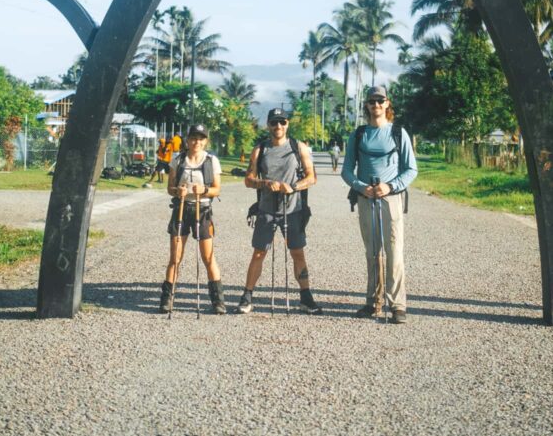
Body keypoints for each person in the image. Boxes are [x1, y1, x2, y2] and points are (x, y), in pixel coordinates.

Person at [341, 86, 418, 324]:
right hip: (365, 199)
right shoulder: (359, 134)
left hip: (390, 199)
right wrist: (359, 186)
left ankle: (397, 305)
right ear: (367, 105)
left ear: (387, 104)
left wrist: (390, 186)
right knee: (372, 252)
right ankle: (373, 302)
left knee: (394, 252)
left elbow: (411, 169)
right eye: (371, 101)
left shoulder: (398, 132)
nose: (375, 105)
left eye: (380, 100)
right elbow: (346, 170)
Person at [236, 108, 323, 315]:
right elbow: (248, 180)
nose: (278, 127)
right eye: (274, 123)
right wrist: (265, 183)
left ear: (287, 124)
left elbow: (312, 177)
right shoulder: (261, 149)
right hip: (266, 209)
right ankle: (247, 296)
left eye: (282, 122)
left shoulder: (297, 147)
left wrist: (292, 187)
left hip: (294, 210)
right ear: (268, 125)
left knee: (297, 253)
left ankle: (306, 297)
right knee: (259, 253)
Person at [159, 124, 227, 314]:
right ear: (187, 140)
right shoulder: (178, 159)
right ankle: (167, 298)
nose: (197, 142)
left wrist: (204, 190)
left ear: (206, 141)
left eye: (201, 138)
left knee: (208, 257)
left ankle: (218, 300)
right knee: (175, 257)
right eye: (193, 138)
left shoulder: (211, 160)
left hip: (202, 209)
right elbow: (170, 187)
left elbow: (217, 189)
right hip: (181, 208)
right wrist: (176, 191)